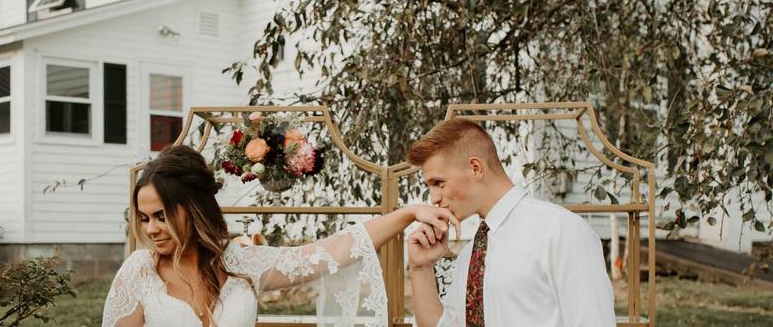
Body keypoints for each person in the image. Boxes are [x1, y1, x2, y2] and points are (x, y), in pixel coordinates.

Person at [102, 144, 454, 327]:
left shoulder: (240, 262)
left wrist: (408, 213)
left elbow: (329, 252)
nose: (150, 229)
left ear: (191, 208)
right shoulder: (138, 273)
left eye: (161, 216)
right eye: (145, 218)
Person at [405, 119, 616, 327]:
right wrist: (420, 268)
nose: (433, 198)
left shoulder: (560, 231)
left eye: (439, 183)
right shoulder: (470, 256)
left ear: (476, 168)